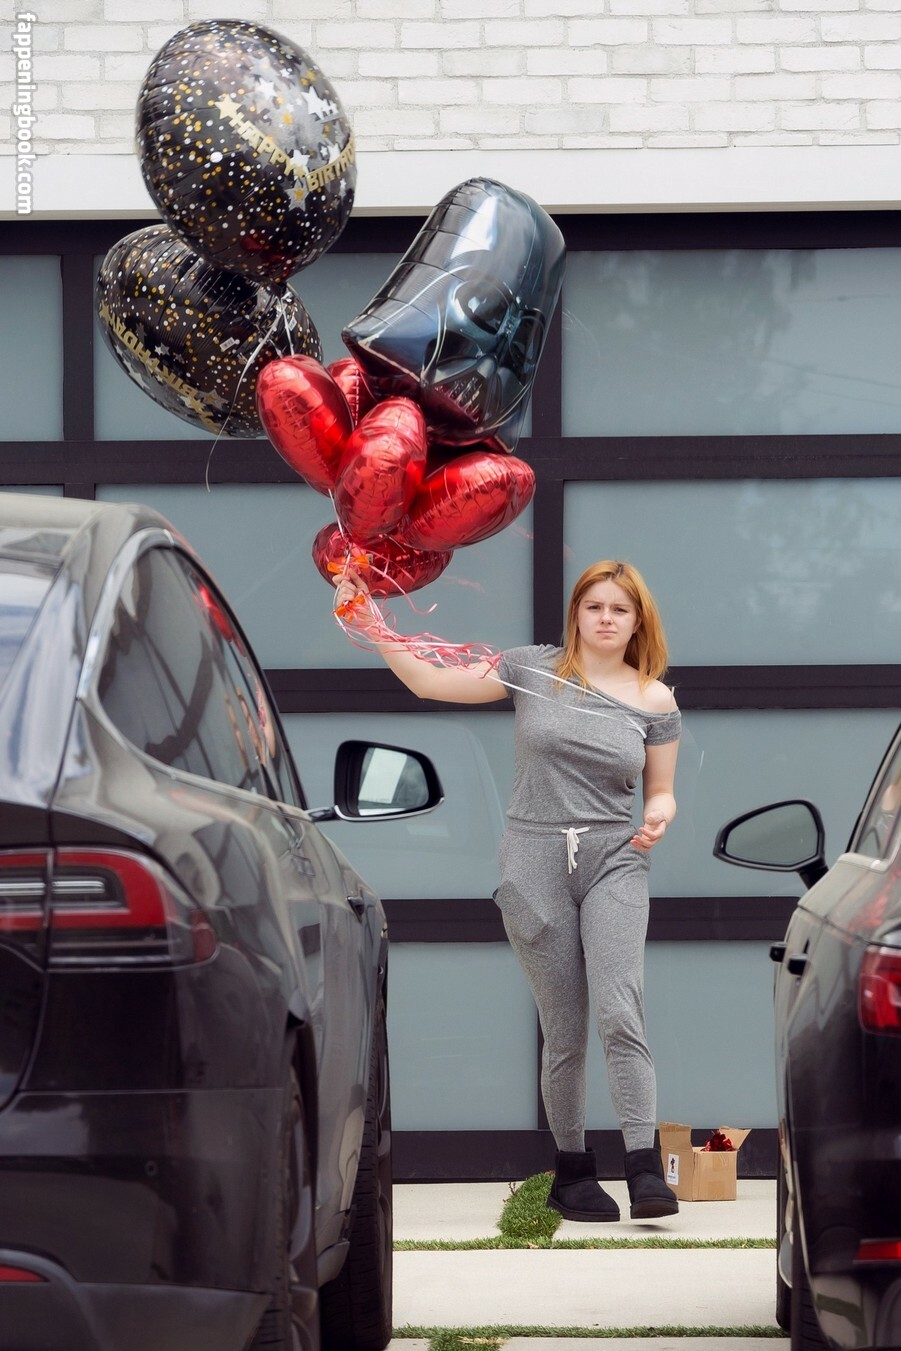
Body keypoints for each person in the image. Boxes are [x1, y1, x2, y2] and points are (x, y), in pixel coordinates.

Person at [332, 558, 680, 1222]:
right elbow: (429, 681)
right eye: (594, 606)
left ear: (638, 621)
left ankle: (643, 1167)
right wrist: (366, 620)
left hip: (615, 858)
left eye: (620, 609)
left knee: (620, 1010)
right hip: (533, 858)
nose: (606, 619)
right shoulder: (531, 669)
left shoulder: (654, 699)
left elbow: (660, 789)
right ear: (576, 613)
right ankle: (573, 1174)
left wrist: (659, 815)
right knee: (564, 1026)